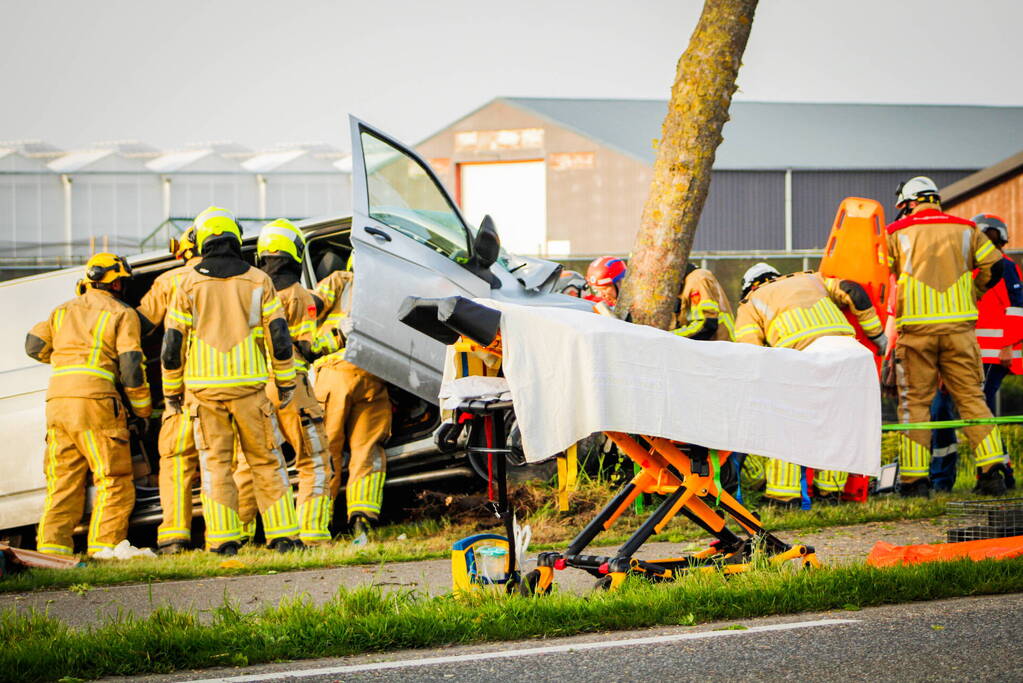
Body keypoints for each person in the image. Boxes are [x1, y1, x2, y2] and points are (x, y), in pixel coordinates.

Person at [161, 206, 301, 554]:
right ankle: (284, 536)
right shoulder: (259, 280)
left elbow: (172, 346)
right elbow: (280, 339)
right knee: (267, 461)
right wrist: (285, 385)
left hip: (203, 394)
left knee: (216, 467)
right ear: (235, 239)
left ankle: (224, 542)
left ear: (203, 240)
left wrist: (171, 391)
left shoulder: (186, 283)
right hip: (251, 392)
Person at [885, 178, 1008, 496]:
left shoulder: (895, 233)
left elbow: (882, 277)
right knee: (972, 400)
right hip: (960, 332)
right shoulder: (967, 229)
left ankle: (915, 483)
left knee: (915, 405)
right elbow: (995, 267)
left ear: (909, 203)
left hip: (916, 333)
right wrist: (972, 291)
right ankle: (993, 471)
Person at [25, 253, 152, 556]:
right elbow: (131, 366)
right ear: (117, 282)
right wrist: (143, 411)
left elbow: (34, 346)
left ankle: (52, 553)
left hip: (57, 402)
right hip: (95, 402)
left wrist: (65, 359)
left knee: (62, 481)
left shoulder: (61, 310)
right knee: (113, 477)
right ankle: (104, 549)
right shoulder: (122, 313)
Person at [734, 263, 886, 506]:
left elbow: (750, 352)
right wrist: (877, 335)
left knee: (787, 425)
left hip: (803, 357)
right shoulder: (813, 279)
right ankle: (830, 493)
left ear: (750, 285)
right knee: (838, 424)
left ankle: (784, 497)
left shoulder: (751, 301)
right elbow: (853, 291)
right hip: (851, 354)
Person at [234, 219, 333, 546]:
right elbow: (307, 346)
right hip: (291, 385)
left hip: (252, 389)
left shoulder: (247, 292)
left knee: (250, 464)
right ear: (295, 252)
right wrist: (336, 341)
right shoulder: (298, 294)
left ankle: (240, 537)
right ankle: (312, 534)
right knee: (313, 460)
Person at [929, 213, 1019, 491]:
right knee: (945, 410)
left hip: (994, 355)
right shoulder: (964, 268)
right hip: (965, 353)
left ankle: (996, 474)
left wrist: (1008, 345)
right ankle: (944, 480)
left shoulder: (1007, 267)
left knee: (980, 412)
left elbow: (1018, 307)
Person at [312, 252, 391, 538]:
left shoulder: (339, 280)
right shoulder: (388, 293)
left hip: (334, 372)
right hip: (373, 375)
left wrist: (322, 341)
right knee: (368, 448)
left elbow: (307, 310)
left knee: (327, 449)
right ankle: (362, 519)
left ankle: (321, 523)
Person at [136, 227, 202, 554]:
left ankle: (175, 537)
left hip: (184, 391)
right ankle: (228, 536)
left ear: (183, 250)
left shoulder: (169, 281)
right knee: (224, 462)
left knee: (176, 461)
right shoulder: (245, 278)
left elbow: (138, 326)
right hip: (227, 387)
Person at [672, 261, 735, 341]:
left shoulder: (696, 279)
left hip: (717, 344)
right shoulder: (685, 281)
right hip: (711, 345)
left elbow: (707, 324)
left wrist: (670, 336)